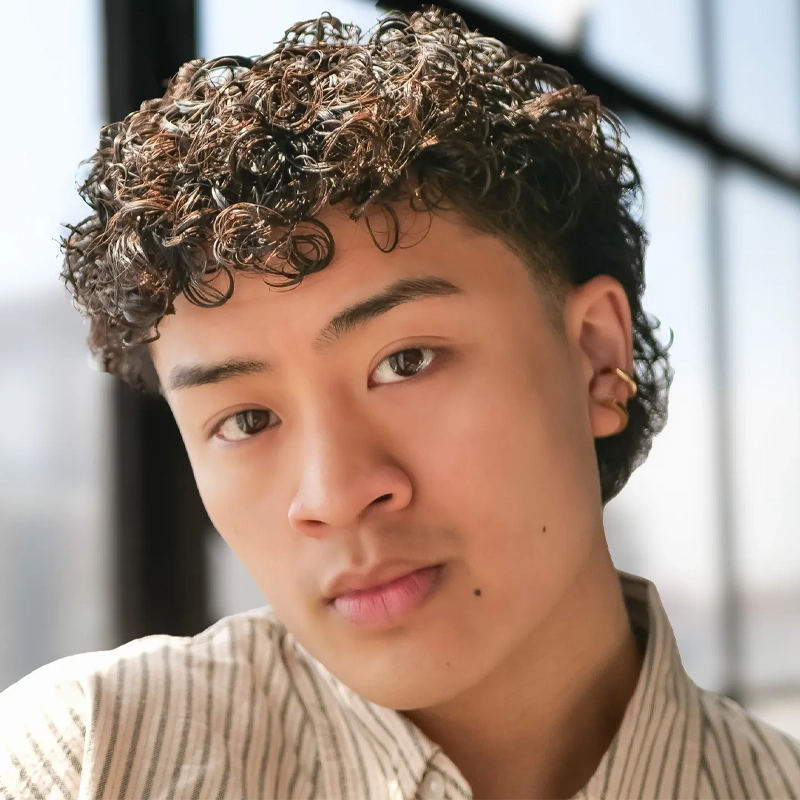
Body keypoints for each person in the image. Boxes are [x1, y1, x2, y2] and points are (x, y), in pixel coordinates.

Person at [2, 7, 799, 799]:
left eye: (405, 362)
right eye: (247, 421)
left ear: (595, 354)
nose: (335, 495)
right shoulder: (89, 760)